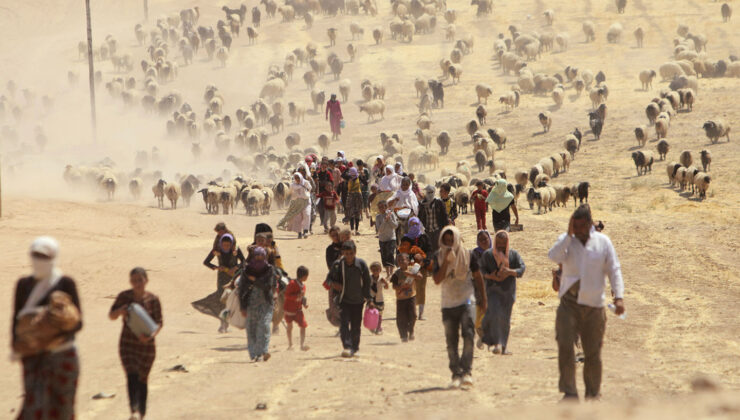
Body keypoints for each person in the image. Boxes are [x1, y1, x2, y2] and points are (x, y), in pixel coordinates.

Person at [548, 204, 625, 401]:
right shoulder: (567, 242)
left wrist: (619, 297)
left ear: (590, 224)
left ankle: (592, 393)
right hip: (569, 303)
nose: (580, 230)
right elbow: (553, 256)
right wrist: (568, 235)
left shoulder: (603, 242)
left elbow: (614, 269)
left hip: (594, 305)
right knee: (565, 347)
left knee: (593, 352)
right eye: (576, 226)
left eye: (583, 226)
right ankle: (569, 393)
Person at [12, 237, 82, 420]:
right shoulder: (23, 285)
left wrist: (52, 335)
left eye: (44, 256)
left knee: (62, 408)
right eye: (35, 255)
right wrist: (16, 346)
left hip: (62, 356)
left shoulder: (65, 283)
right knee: (33, 406)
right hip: (33, 356)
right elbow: (16, 318)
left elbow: (78, 323)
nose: (39, 260)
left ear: (54, 257)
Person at [432, 226, 487, 389]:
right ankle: (456, 373)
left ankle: (467, 372)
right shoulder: (438, 256)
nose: (449, 244)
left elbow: (478, 277)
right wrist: (446, 263)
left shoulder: (468, 255)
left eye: (452, 240)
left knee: (469, 334)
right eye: (446, 241)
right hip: (448, 302)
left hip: (466, 300)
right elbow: (437, 279)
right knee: (451, 340)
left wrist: (483, 299)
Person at [109, 267, 163, 420]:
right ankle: (134, 411)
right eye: (134, 280)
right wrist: (120, 311)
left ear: (146, 280)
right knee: (131, 374)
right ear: (130, 282)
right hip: (127, 344)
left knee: (143, 378)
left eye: (140, 280)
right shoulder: (124, 297)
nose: (137, 283)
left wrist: (150, 336)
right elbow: (111, 315)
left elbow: (159, 323)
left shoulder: (153, 299)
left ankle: (142, 413)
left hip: (147, 347)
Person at [479, 231, 525, 355]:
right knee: (494, 313)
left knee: (505, 319)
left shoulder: (513, 255)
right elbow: (481, 269)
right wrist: (490, 276)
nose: (500, 246)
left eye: (503, 244)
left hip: (508, 292)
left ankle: (503, 346)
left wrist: (509, 272)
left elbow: (522, 268)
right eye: (498, 243)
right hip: (492, 290)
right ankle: (496, 343)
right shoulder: (488, 255)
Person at [326, 241, 372, 357]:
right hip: (343, 300)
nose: (349, 256)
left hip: (358, 300)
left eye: (351, 253)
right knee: (344, 324)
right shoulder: (337, 265)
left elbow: (367, 281)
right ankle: (347, 347)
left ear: (355, 252)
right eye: (346, 254)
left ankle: (355, 348)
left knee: (356, 325)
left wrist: (369, 298)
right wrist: (334, 284)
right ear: (343, 253)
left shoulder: (361, 265)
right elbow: (328, 279)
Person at [238, 247, 277, 362]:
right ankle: (254, 353)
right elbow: (242, 289)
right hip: (251, 303)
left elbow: (268, 286)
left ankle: (263, 352)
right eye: (257, 256)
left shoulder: (269, 269)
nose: (259, 258)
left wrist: (254, 280)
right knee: (252, 329)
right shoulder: (247, 270)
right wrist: (242, 306)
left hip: (265, 302)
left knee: (264, 326)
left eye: (261, 256)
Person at [201, 234, 244, 333]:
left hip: (234, 277)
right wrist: (216, 267)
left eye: (228, 245)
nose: (226, 247)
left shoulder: (236, 250)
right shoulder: (217, 250)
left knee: (233, 300)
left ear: (231, 244)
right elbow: (206, 262)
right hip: (222, 278)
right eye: (224, 245)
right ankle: (223, 324)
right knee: (223, 300)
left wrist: (236, 268)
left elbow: (244, 262)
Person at [401, 216, 432, 320]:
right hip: (409, 268)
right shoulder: (405, 238)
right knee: (409, 288)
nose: (414, 226)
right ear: (409, 225)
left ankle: (421, 313)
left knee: (421, 289)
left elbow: (430, 252)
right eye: (412, 224)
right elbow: (402, 252)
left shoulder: (424, 237)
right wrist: (411, 258)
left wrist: (424, 261)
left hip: (422, 267)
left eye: (416, 224)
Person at [390, 253, 421, 342]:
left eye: (403, 260)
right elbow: (394, 286)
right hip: (400, 299)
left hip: (411, 297)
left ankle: (411, 330)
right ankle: (403, 335)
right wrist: (400, 287)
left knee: (413, 315)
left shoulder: (413, 270)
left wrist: (411, 275)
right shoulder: (397, 273)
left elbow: (420, 277)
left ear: (408, 261)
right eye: (399, 261)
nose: (401, 262)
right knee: (401, 318)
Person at [471, 230, 492, 349]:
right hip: (478, 287)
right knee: (477, 314)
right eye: (481, 240)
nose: (484, 242)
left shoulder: (495, 252)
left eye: (486, 239)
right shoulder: (474, 253)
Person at [278, 172, 313, 238]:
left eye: (298, 177)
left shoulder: (306, 183)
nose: (297, 179)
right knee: (297, 218)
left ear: (301, 177)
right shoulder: (292, 185)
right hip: (297, 203)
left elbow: (310, 189)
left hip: (306, 202)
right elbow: (290, 192)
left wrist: (305, 194)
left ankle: (305, 231)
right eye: (296, 178)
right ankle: (299, 232)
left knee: (307, 214)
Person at [418, 185, 450, 254]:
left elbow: (444, 216)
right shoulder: (422, 204)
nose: (429, 194)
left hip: (437, 229)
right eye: (428, 192)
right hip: (427, 230)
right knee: (428, 249)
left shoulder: (439, 202)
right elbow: (420, 216)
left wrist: (447, 228)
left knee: (437, 249)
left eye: (431, 192)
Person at [285, 266, 310, 351]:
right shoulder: (292, 284)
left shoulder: (303, 286)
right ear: (303, 276)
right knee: (289, 326)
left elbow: (302, 297)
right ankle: (290, 344)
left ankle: (302, 345)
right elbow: (287, 295)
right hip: (289, 309)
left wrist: (304, 304)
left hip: (298, 310)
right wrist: (296, 296)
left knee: (303, 325)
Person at [376, 200, 399, 278]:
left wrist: (390, 220)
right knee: (384, 256)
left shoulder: (391, 214)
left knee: (390, 254)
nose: (381, 209)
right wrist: (385, 221)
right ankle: (387, 272)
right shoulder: (378, 217)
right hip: (382, 239)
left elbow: (395, 226)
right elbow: (380, 230)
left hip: (391, 238)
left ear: (386, 207)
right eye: (379, 207)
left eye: (383, 207)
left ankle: (391, 272)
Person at [369, 262, 388, 335]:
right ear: (371, 270)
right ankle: (372, 326)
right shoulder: (369, 278)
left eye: (377, 270)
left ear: (380, 270)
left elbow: (386, 288)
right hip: (371, 299)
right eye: (373, 270)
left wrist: (385, 283)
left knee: (379, 314)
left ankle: (378, 327)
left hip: (379, 299)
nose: (375, 271)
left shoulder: (381, 279)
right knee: (371, 314)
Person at [345, 167, 364, 234]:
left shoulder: (359, 178)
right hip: (351, 196)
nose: (352, 176)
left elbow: (365, 182)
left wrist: (362, 175)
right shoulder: (348, 178)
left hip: (358, 196)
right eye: (351, 174)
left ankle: (357, 229)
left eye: (354, 174)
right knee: (351, 213)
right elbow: (343, 175)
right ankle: (352, 229)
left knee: (357, 213)